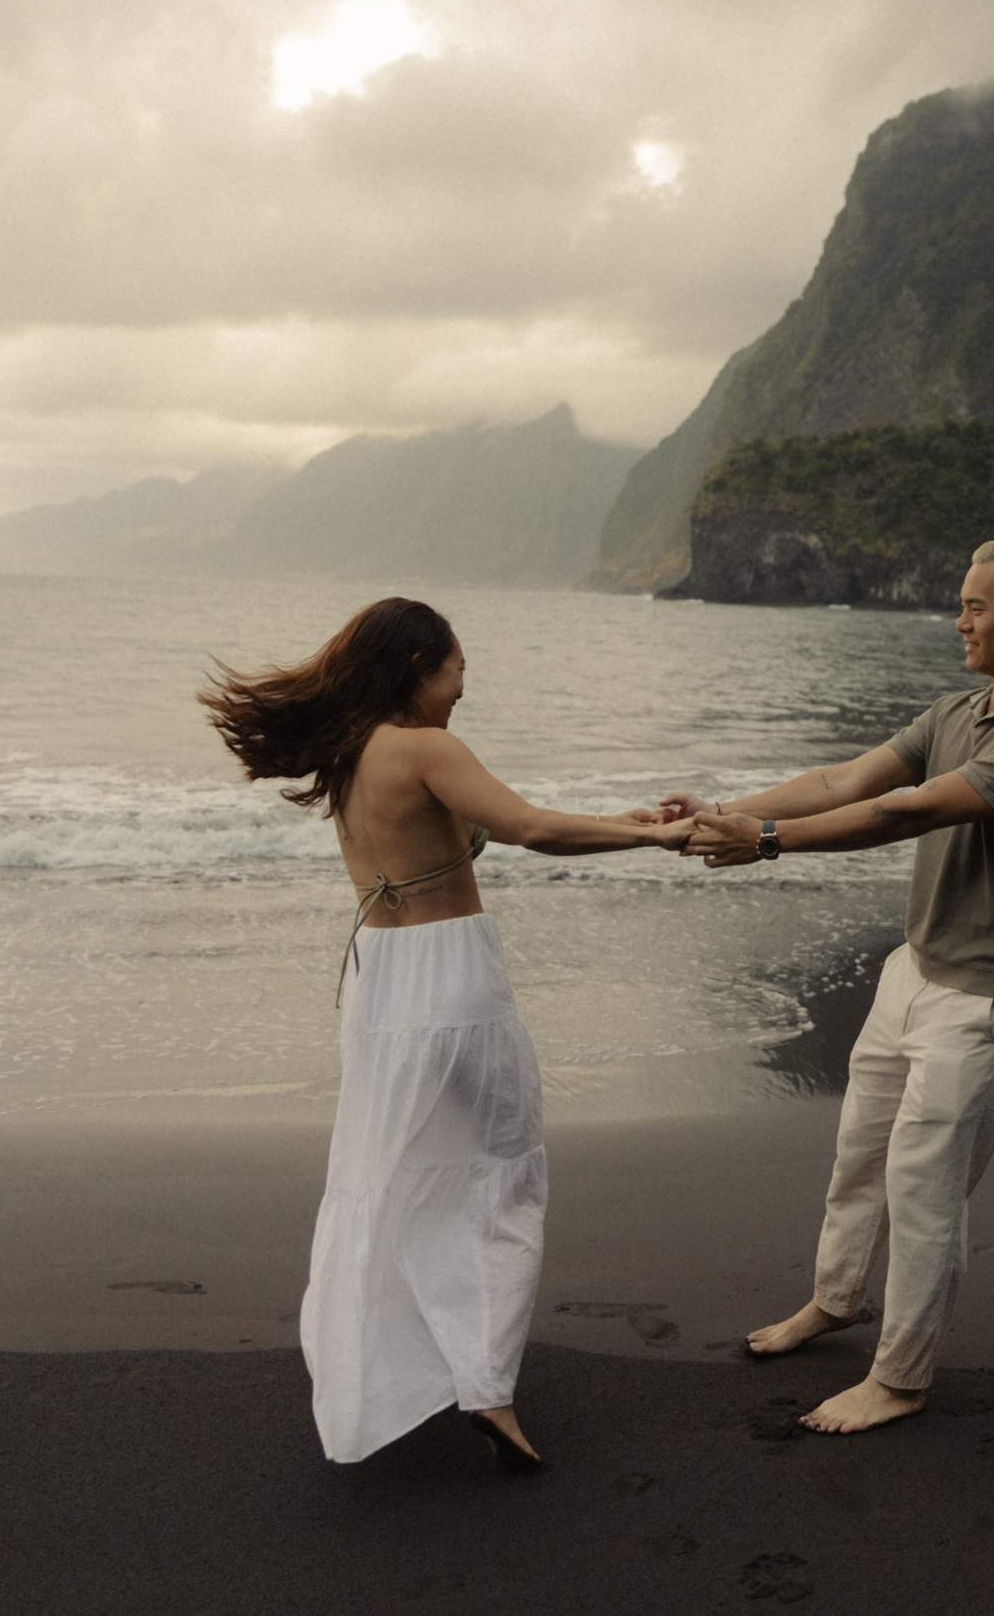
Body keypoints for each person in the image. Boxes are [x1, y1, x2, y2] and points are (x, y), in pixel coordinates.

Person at [201, 597, 689, 1472]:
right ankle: (486, 1387)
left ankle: (379, 1372)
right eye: (458, 669)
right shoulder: (426, 747)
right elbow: (531, 828)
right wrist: (658, 840)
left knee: (388, 1174)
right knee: (500, 1170)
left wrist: (625, 823)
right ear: (419, 666)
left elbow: (476, 830)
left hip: (379, 986)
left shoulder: (350, 754)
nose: (463, 688)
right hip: (452, 979)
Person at [673, 538, 994, 1435]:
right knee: (861, 1155)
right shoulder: (955, 711)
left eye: (975, 605)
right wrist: (729, 812)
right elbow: (844, 780)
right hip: (916, 969)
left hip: (985, 995)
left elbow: (906, 809)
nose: (958, 620)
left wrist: (768, 842)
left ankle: (900, 1377)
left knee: (925, 1188)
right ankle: (835, 1300)